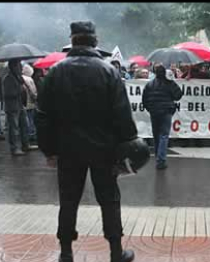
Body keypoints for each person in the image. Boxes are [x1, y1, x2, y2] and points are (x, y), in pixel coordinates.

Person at [36, 21, 137, 262]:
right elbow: (122, 115)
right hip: (105, 149)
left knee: (68, 200)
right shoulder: (109, 71)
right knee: (109, 199)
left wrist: (49, 150)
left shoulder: (56, 72)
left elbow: (42, 116)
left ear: (72, 40)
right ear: (95, 40)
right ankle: (115, 252)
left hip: (67, 149)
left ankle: (66, 253)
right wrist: (128, 147)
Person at [142, 63, 183, 170]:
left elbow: (144, 100)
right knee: (164, 135)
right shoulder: (169, 84)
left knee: (156, 135)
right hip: (166, 111)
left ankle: (158, 156)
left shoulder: (149, 85)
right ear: (165, 73)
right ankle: (161, 160)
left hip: (154, 112)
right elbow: (178, 95)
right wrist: (172, 80)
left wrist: (150, 109)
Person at [2, 60, 38, 156]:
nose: (21, 68)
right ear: (13, 67)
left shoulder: (18, 77)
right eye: (19, 66)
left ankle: (26, 144)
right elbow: (7, 94)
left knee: (24, 125)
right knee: (14, 128)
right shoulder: (8, 79)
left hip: (20, 105)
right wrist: (19, 90)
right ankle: (14, 148)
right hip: (12, 107)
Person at [22, 64, 38, 142]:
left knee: (26, 118)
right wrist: (35, 97)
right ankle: (32, 133)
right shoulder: (30, 79)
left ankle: (27, 133)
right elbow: (33, 90)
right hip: (30, 101)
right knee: (31, 118)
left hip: (24, 102)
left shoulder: (21, 78)